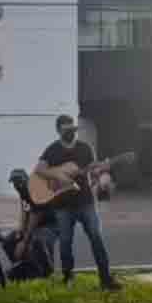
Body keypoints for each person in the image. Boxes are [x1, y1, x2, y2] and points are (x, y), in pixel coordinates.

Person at [34, 115, 121, 291]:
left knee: (96, 237)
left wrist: (101, 173)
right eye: (67, 130)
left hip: (85, 202)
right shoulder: (52, 150)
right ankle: (68, 278)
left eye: (73, 129)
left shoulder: (85, 148)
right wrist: (58, 175)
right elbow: (39, 170)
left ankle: (105, 278)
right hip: (62, 205)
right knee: (65, 242)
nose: (71, 133)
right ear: (59, 130)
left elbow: (94, 172)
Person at [9, 169, 58, 278]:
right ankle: (25, 270)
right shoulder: (22, 191)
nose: (15, 185)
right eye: (14, 183)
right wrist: (20, 230)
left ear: (24, 180)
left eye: (17, 182)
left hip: (51, 224)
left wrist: (24, 242)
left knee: (38, 240)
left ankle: (47, 274)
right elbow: (25, 210)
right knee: (10, 239)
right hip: (38, 223)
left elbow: (35, 217)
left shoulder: (34, 190)